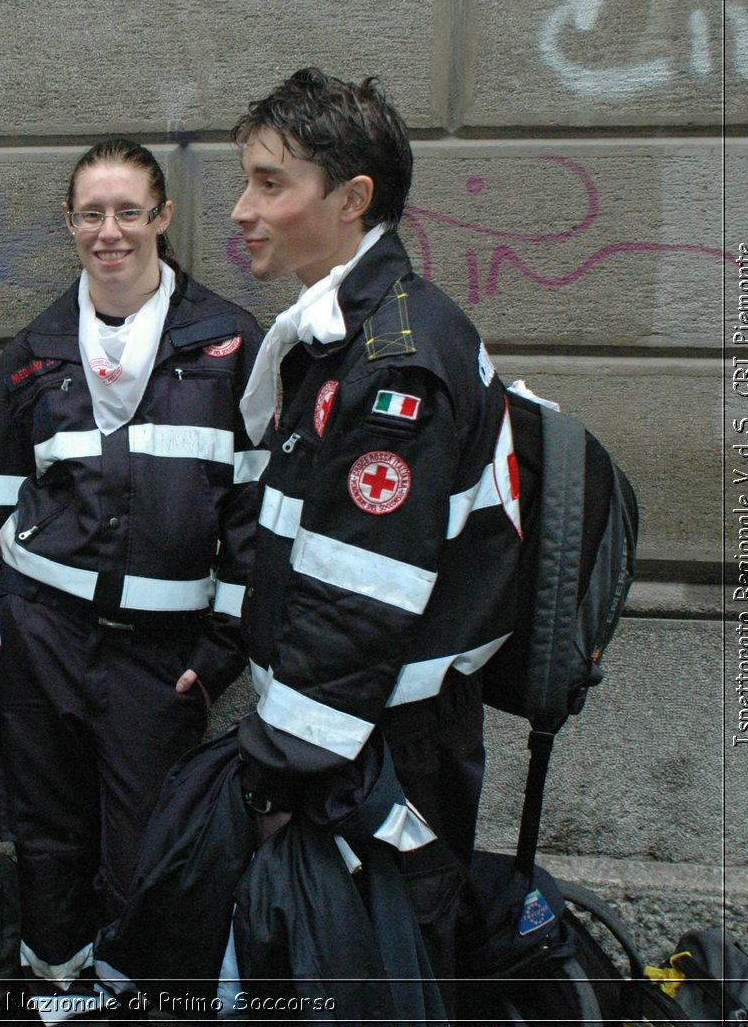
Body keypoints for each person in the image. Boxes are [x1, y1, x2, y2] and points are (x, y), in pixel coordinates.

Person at [229, 68, 521, 991]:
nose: (242, 209)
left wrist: (280, 777)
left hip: (377, 756)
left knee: (376, 976)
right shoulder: (343, 333)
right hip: (348, 739)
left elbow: (361, 596)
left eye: (271, 183)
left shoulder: (395, 361)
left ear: (353, 199)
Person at [0, 138, 264, 1021]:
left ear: (163, 218)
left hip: (160, 658)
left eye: (129, 211)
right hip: (42, 640)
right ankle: (59, 995)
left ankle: (141, 1001)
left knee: (151, 851)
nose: (111, 232)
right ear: (69, 225)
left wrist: (219, 656)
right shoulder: (32, 355)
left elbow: (255, 523)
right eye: (91, 214)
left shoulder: (231, 345)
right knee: (50, 838)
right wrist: (2, 635)